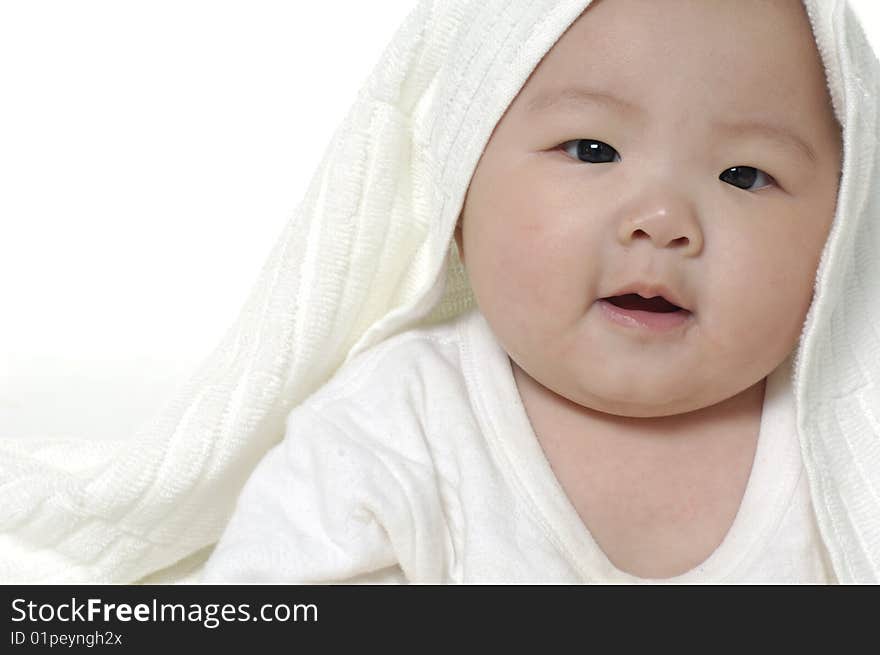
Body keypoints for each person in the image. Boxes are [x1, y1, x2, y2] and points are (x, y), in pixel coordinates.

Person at [3, 0, 878, 584]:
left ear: (844, 230)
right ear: (460, 196)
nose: (661, 217)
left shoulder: (846, 449)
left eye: (743, 172)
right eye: (592, 150)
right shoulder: (395, 427)